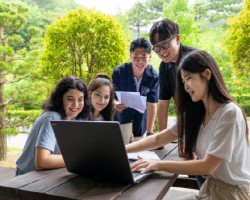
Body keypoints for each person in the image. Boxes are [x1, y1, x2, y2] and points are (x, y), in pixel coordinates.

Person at [126, 50, 250, 199]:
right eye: (183, 81)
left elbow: (207, 166)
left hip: (234, 194)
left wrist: (157, 164)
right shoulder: (196, 113)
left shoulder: (229, 113)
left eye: (189, 78)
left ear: (207, 74)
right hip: (210, 189)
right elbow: (159, 139)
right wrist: (121, 150)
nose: (185, 86)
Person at [16, 75, 90, 176]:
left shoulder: (73, 118)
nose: (76, 105)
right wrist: (80, 159)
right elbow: (42, 161)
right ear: (60, 99)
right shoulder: (52, 117)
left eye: (80, 99)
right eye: (70, 99)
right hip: (27, 179)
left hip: (46, 175)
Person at [149, 19, 196, 132]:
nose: (161, 51)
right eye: (157, 47)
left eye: (165, 44)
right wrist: (161, 135)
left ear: (177, 39)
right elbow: (163, 103)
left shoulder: (195, 58)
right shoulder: (164, 67)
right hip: (185, 119)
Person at [112, 37, 159, 137]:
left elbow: (151, 104)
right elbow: (112, 95)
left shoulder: (154, 76)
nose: (140, 61)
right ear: (130, 56)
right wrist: (116, 104)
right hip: (121, 121)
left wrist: (150, 132)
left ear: (150, 57)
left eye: (144, 57)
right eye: (136, 57)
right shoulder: (119, 72)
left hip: (141, 123)